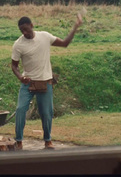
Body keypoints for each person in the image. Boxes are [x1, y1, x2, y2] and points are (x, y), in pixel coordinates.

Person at [11, 13, 83, 150]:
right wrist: (21, 77)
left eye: (26, 29)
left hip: (45, 82)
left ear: (32, 26)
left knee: (46, 113)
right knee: (20, 109)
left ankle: (47, 141)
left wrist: (75, 27)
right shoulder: (18, 45)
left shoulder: (44, 36)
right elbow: (14, 66)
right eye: (22, 31)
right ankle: (19, 141)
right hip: (28, 83)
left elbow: (65, 44)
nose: (25, 33)